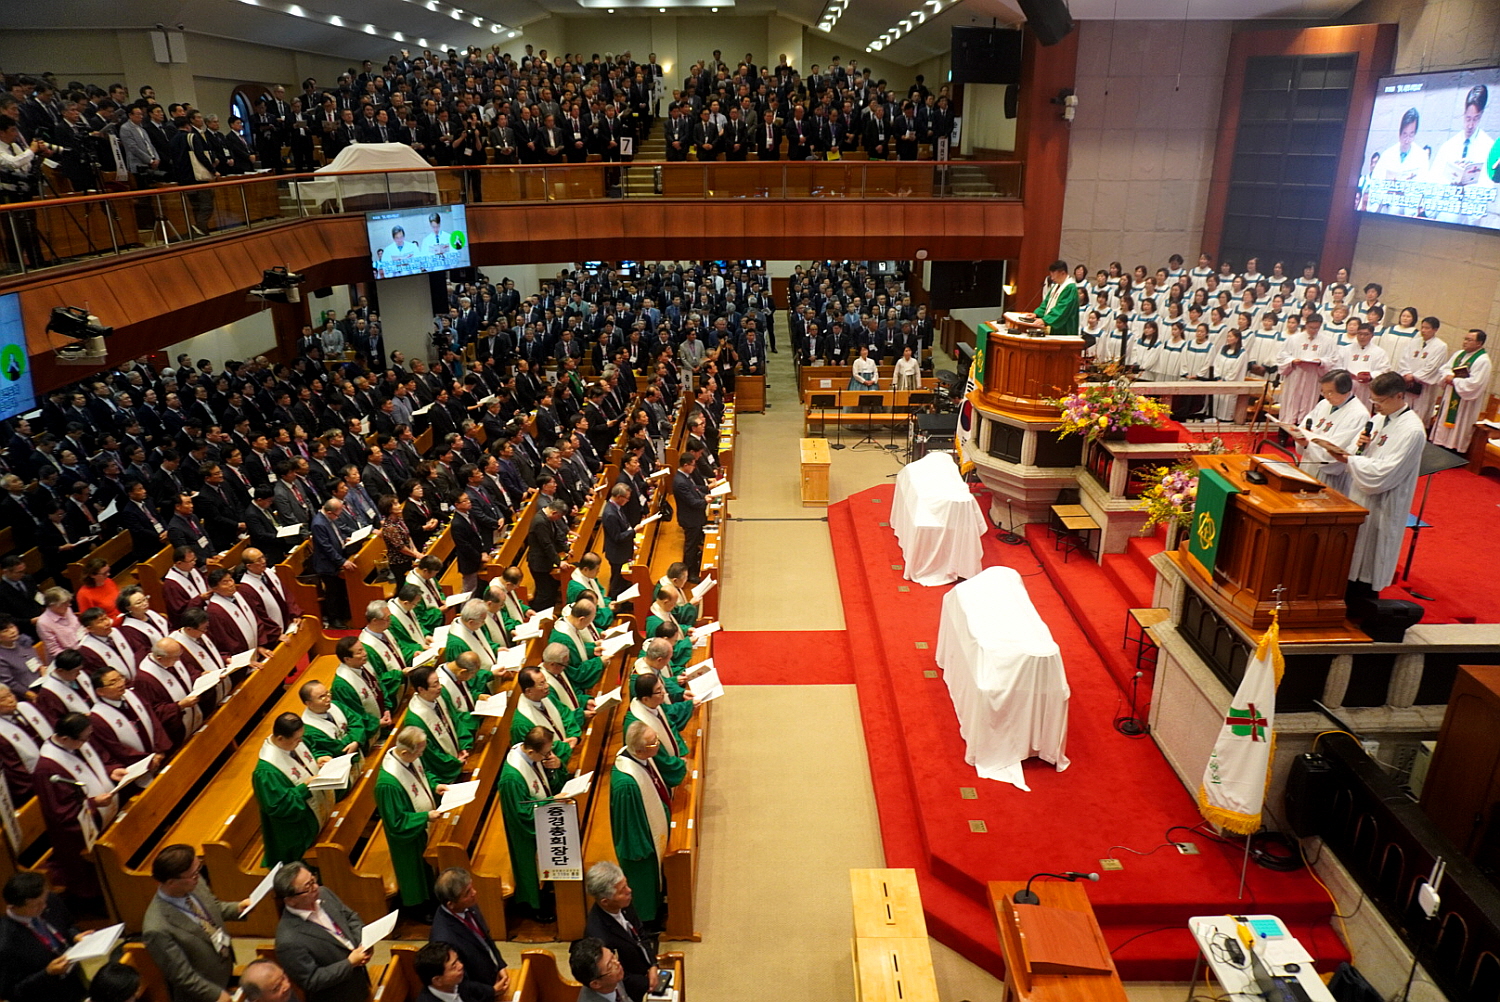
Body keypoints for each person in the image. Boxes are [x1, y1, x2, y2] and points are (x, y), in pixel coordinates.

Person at [1322, 371, 1428, 599]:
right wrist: (1358, 449)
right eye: (1373, 400)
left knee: (1371, 556)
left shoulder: (1412, 430)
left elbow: (1385, 473)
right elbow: (1360, 452)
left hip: (1384, 502)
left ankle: (1363, 602)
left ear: (1400, 396)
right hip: (1360, 494)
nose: (1375, 406)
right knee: (1354, 553)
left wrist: (1351, 460)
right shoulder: (1379, 419)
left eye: (1380, 401)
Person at [141, 843, 252, 1002]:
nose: (198, 876)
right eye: (193, 874)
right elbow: (183, 976)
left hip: (224, 969)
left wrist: (238, 909)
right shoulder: (157, 928)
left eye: (198, 869)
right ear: (171, 882)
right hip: (202, 995)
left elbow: (212, 908)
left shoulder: (195, 882)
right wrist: (215, 995)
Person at [34, 712, 120, 899]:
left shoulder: (75, 745)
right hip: (75, 833)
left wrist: (110, 771)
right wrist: (94, 802)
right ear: (65, 738)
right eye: (85, 737)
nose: (88, 741)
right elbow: (60, 812)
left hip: (102, 815)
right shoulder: (47, 768)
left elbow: (90, 769)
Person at [272, 862, 372, 1002]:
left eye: (313, 880)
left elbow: (350, 917)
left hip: (359, 983)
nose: (316, 887)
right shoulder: (288, 941)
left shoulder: (324, 893)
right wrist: (349, 963)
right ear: (291, 900)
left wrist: (362, 943)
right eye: (308, 887)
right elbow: (312, 980)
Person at [608, 722, 674, 935]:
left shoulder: (638, 757)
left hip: (648, 832)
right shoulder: (627, 784)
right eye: (654, 742)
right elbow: (630, 823)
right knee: (643, 885)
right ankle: (646, 922)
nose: (658, 745)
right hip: (639, 845)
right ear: (639, 750)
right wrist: (641, 848)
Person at [375, 726, 447, 914]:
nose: (421, 755)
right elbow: (396, 821)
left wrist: (434, 785)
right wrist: (425, 817)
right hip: (408, 839)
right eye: (419, 752)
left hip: (422, 827)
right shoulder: (388, 783)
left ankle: (432, 897)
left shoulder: (408, 759)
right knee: (414, 873)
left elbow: (421, 777)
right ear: (405, 751)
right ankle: (418, 909)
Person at [252, 711, 334, 866]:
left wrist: (316, 762)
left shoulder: (292, 744)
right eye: (297, 739)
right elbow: (278, 806)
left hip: (315, 816)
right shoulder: (266, 771)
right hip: (295, 831)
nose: (300, 742)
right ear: (280, 738)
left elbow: (300, 767)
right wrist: (304, 788)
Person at [499, 725, 563, 922]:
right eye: (545, 753)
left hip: (540, 816)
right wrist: (551, 802)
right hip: (524, 832)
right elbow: (522, 812)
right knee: (529, 868)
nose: (547, 756)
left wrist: (554, 767)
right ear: (530, 751)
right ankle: (532, 906)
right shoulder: (512, 778)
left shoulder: (530, 756)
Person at [0, 871, 87, 1002]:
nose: (44, 906)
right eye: (36, 905)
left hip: (75, 980)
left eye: (44, 899)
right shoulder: (5, 942)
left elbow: (68, 925)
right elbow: (11, 992)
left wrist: (75, 936)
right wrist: (47, 974)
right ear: (13, 907)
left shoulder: (49, 900)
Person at [429, 868, 511, 998]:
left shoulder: (468, 905)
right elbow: (458, 983)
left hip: (492, 978)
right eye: (467, 892)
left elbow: (485, 939)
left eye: (472, 888)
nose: (474, 893)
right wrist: (490, 991)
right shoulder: (443, 939)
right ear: (451, 904)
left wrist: (500, 965)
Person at [1288, 370, 1369, 497]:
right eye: (1323, 391)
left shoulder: (1358, 414)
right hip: (1308, 464)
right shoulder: (1324, 403)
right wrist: (1300, 434)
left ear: (1346, 390)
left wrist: (1308, 444)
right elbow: (1306, 425)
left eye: (1330, 392)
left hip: (1329, 475)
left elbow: (1336, 449)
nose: (1326, 396)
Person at [403, 665, 469, 783]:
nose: (440, 687)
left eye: (438, 682)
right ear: (421, 689)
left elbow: (454, 719)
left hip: (459, 754)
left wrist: (463, 745)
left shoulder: (440, 695)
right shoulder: (415, 720)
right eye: (434, 685)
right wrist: (453, 762)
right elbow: (430, 753)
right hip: (445, 767)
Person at [623, 673, 687, 788]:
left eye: (661, 687)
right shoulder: (639, 722)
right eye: (658, 691)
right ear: (646, 698)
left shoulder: (652, 705)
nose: (664, 693)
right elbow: (657, 756)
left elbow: (669, 726)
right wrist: (679, 764)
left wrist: (680, 749)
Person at [1430, 329, 1491, 452]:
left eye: (1470, 340)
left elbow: (1475, 383)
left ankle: (1453, 450)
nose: (1465, 342)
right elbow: (1445, 369)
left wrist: (1454, 380)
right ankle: (1439, 445)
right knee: (1443, 422)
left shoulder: (1483, 361)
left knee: (1458, 426)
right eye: (1465, 339)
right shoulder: (1459, 354)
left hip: (1464, 402)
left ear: (1479, 343)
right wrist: (1448, 376)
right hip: (1450, 394)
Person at [0, 682, 51, 803]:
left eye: (10, 695)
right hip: (38, 782)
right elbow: (15, 770)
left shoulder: (27, 707)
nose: (11, 700)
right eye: (3, 699)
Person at [311, 499, 355, 629]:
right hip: (327, 565)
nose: (339, 516)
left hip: (335, 559)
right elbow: (326, 548)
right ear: (329, 512)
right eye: (337, 513)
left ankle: (343, 614)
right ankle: (334, 620)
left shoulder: (328, 519)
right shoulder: (318, 524)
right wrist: (342, 562)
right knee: (332, 593)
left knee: (340, 590)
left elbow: (335, 534)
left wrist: (343, 540)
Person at [1398, 316, 1449, 426]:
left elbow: (1433, 366)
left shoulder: (1440, 346)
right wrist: (1407, 374)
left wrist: (1415, 377)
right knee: (1403, 410)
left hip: (1424, 385)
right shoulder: (1414, 342)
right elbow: (1404, 359)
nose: (1423, 330)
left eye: (1427, 328)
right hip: (1408, 383)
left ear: (1435, 330)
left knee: (1419, 413)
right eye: (1422, 327)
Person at [548, 601, 607, 690]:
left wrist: (592, 649)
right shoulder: (564, 639)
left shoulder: (566, 622)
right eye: (589, 622)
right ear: (581, 619)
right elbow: (575, 672)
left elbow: (574, 650)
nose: (588, 625)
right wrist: (599, 662)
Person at [526, 501, 573, 610]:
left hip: (545, 561)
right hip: (539, 563)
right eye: (559, 516)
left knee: (552, 588)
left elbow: (557, 535)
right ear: (554, 512)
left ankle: (548, 614)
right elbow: (546, 544)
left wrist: (566, 548)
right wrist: (559, 562)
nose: (558, 519)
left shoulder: (548, 519)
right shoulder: (540, 522)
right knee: (545, 593)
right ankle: (535, 615)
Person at [413, 941, 489, 1002]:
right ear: (437, 980)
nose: (461, 965)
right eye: (454, 966)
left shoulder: (457, 984)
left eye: (458, 960)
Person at [672, 456, 707, 581]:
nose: (694, 467)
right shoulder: (680, 481)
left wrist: (706, 491)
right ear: (686, 465)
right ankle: (690, 573)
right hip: (690, 519)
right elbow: (691, 502)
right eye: (692, 465)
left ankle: (694, 567)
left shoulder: (685, 477)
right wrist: (705, 500)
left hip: (695, 517)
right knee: (691, 547)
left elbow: (695, 490)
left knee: (695, 543)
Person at [569, 938, 629, 1002]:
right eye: (610, 966)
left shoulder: (613, 979)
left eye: (613, 957)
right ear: (596, 984)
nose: (617, 963)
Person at [1035, 260, 1080, 340]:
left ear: (1062, 273)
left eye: (1053, 275)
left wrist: (1045, 320)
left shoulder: (1070, 288)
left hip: (1064, 329)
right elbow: (1046, 302)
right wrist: (1037, 314)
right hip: (1052, 326)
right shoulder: (1056, 286)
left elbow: (1062, 309)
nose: (1052, 278)